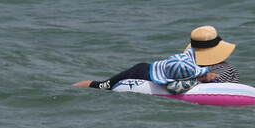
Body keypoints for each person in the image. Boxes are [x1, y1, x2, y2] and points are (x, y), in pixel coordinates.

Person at [72, 48, 220, 93]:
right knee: (102, 86)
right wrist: (198, 79)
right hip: (138, 72)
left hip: (150, 67)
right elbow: (174, 89)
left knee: (101, 85)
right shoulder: (171, 83)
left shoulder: (182, 67)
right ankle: (72, 88)